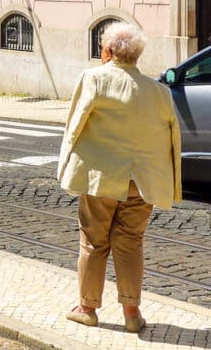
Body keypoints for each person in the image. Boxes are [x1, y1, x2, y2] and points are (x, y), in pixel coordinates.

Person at [58, 21, 181, 333]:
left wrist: (66, 168)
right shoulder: (160, 92)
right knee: (130, 242)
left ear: (108, 51)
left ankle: (87, 307)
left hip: (101, 178)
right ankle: (131, 312)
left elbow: (74, 126)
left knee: (93, 241)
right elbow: (172, 140)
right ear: (137, 55)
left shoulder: (93, 79)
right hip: (142, 182)